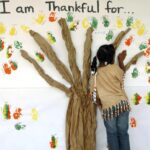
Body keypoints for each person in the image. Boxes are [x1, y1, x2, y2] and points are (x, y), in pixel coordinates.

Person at [90, 44, 130, 150]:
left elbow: (93, 95)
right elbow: (122, 74)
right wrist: (120, 60)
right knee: (123, 134)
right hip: (122, 105)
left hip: (108, 109)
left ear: (99, 57)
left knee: (112, 136)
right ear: (111, 58)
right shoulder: (114, 68)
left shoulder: (94, 75)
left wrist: (100, 103)